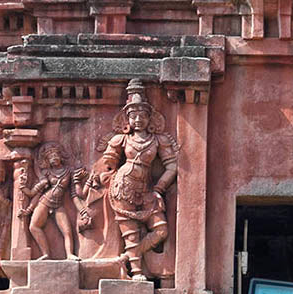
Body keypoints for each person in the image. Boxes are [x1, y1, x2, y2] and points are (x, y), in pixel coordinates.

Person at [90, 79, 177, 280]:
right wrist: (106, 172)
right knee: (130, 233)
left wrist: (159, 189)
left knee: (161, 230)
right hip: (123, 187)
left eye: (142, 115)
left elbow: (172, 166)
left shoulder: (158, 140)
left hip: (147, 190)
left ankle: (125, 258)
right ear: (127, 120)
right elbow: (108, 162)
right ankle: (136, 272)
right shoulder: (122, 139)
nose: (138, 120)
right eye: (133, 116)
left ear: (149, 118)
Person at [20, 143, 83, 261]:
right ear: (47, 161)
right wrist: (28, 207)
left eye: (55, 155)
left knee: (67, 231)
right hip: (44, 201)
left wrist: (82, 210)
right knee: (33, 227)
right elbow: (34, 192)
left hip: (58, 205)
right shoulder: (47, 173)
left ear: (60, 156)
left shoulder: (69, 171)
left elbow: (74, 194)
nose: (53, 158)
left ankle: (69, 254)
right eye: (50, 157)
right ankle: (46, 254)